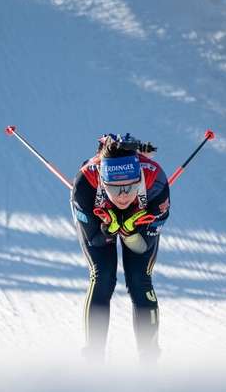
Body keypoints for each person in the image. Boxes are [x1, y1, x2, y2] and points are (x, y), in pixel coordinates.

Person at [70, 133, 171, 363]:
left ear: (140, 177)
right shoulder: (84, 185)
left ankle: (149, 361)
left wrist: (130, 232)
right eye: (115, 188)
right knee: (102, 276)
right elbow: (95, 239)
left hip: (140, 215)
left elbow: (141, 248)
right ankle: (93, 359)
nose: (123, 196)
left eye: (130, 186)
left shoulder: (155, 181)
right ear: (103, 182)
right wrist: (107, 230)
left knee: (139, 278)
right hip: (99, 217)